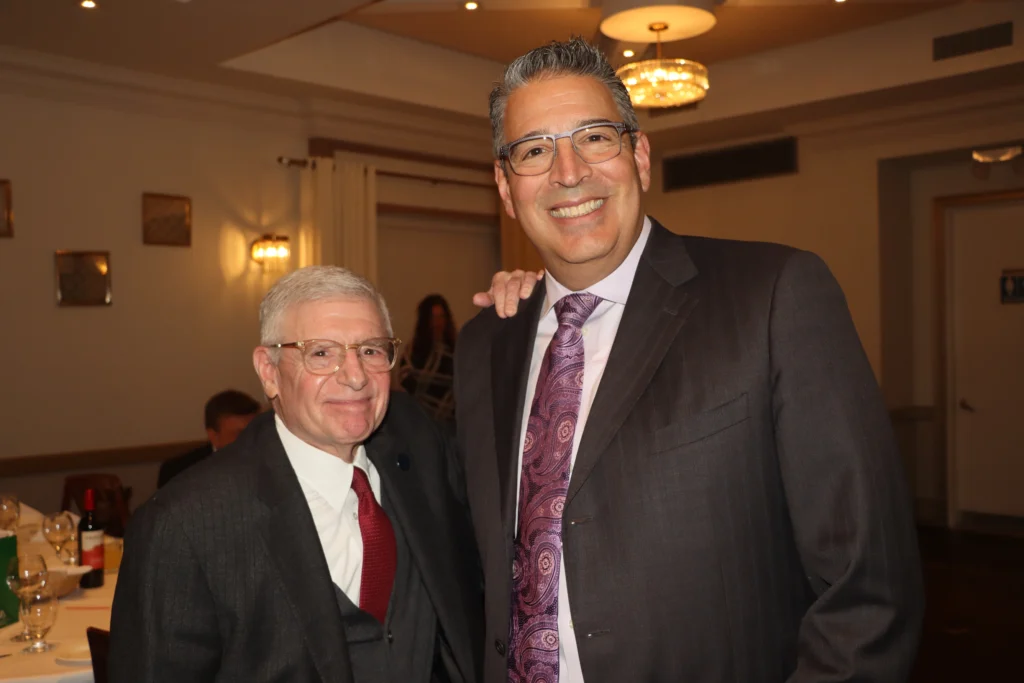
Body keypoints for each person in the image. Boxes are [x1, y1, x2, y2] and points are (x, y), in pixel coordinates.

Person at [457, 37, 924, 683]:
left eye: (595, 137)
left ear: (639, 155)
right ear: (506, 187)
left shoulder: (773, 295)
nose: (568, 171)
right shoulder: (485, 342)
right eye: (534, 150)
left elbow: (866, 587)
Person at [110, 266, 482, 683]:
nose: (356, 376)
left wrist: (532, 311)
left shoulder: (418, 442)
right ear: (268, 372)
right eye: (321, 352)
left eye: (372, 350)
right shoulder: (184, 526)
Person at [156, 389, 262, 488]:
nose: (250, 438)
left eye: (255, 429)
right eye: (240, 433)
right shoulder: (178, 471)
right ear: (214, 436)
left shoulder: (269, 461)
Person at [396, 294, 457, 427]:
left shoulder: (456, 350)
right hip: (419, 420)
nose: (437, 323)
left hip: (450, 421)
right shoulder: (414, 349)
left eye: (441, 317)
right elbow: (404, 377)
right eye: (433, 318)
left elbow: (462, 384)